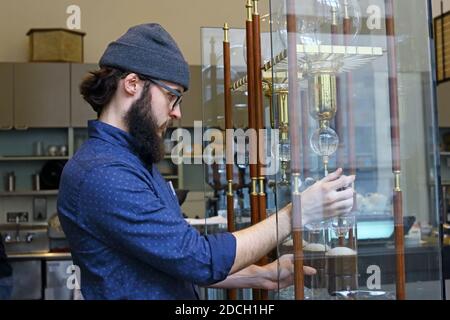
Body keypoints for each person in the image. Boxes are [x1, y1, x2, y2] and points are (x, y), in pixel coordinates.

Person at [57, 23, 355, 300]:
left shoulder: (132, 161)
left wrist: (261, 275)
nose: (177, 113)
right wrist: (295, 214)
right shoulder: (103, 172)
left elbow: (175, 261)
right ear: (132, 84)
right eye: (172, 96)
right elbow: (197, 258)